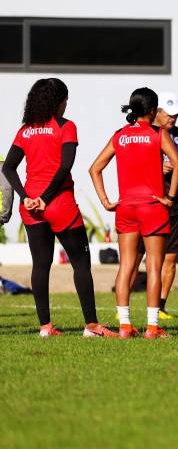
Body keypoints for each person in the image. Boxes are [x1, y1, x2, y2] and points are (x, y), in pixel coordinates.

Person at [2, 78, 116, 337]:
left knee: (40, 265)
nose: (66, 105)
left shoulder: (25, 130)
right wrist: (46, 197)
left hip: (31, 207)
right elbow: (66, 165)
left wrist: (26, 196)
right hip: (59, 203)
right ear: (58, 102)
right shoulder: (66, 126)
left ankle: (45, 327)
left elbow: (8, 167)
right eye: (65, 100)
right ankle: (91, 326)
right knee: (81, 263)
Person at [89, 87, 178, 339]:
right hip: (153, 207)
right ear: (152, 111)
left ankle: (125, 327)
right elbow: (177, 164)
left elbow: (94, 168)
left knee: (126, 266)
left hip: (126, 207)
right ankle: (152, 328)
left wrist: (106, 201)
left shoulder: (119, 135)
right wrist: (170, 198)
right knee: (154, 266)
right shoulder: (158, 133)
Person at [130, 92, 178, 319]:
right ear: (156, 112)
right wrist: (159, 168)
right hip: (147, 204)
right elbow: (131, 166)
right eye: (169, 115)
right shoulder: (142, 135)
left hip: (175, 206)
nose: (173, 119)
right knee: (137, 256)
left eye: (176, 115)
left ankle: (160, 306)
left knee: (170, 257)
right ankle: (124, 307)